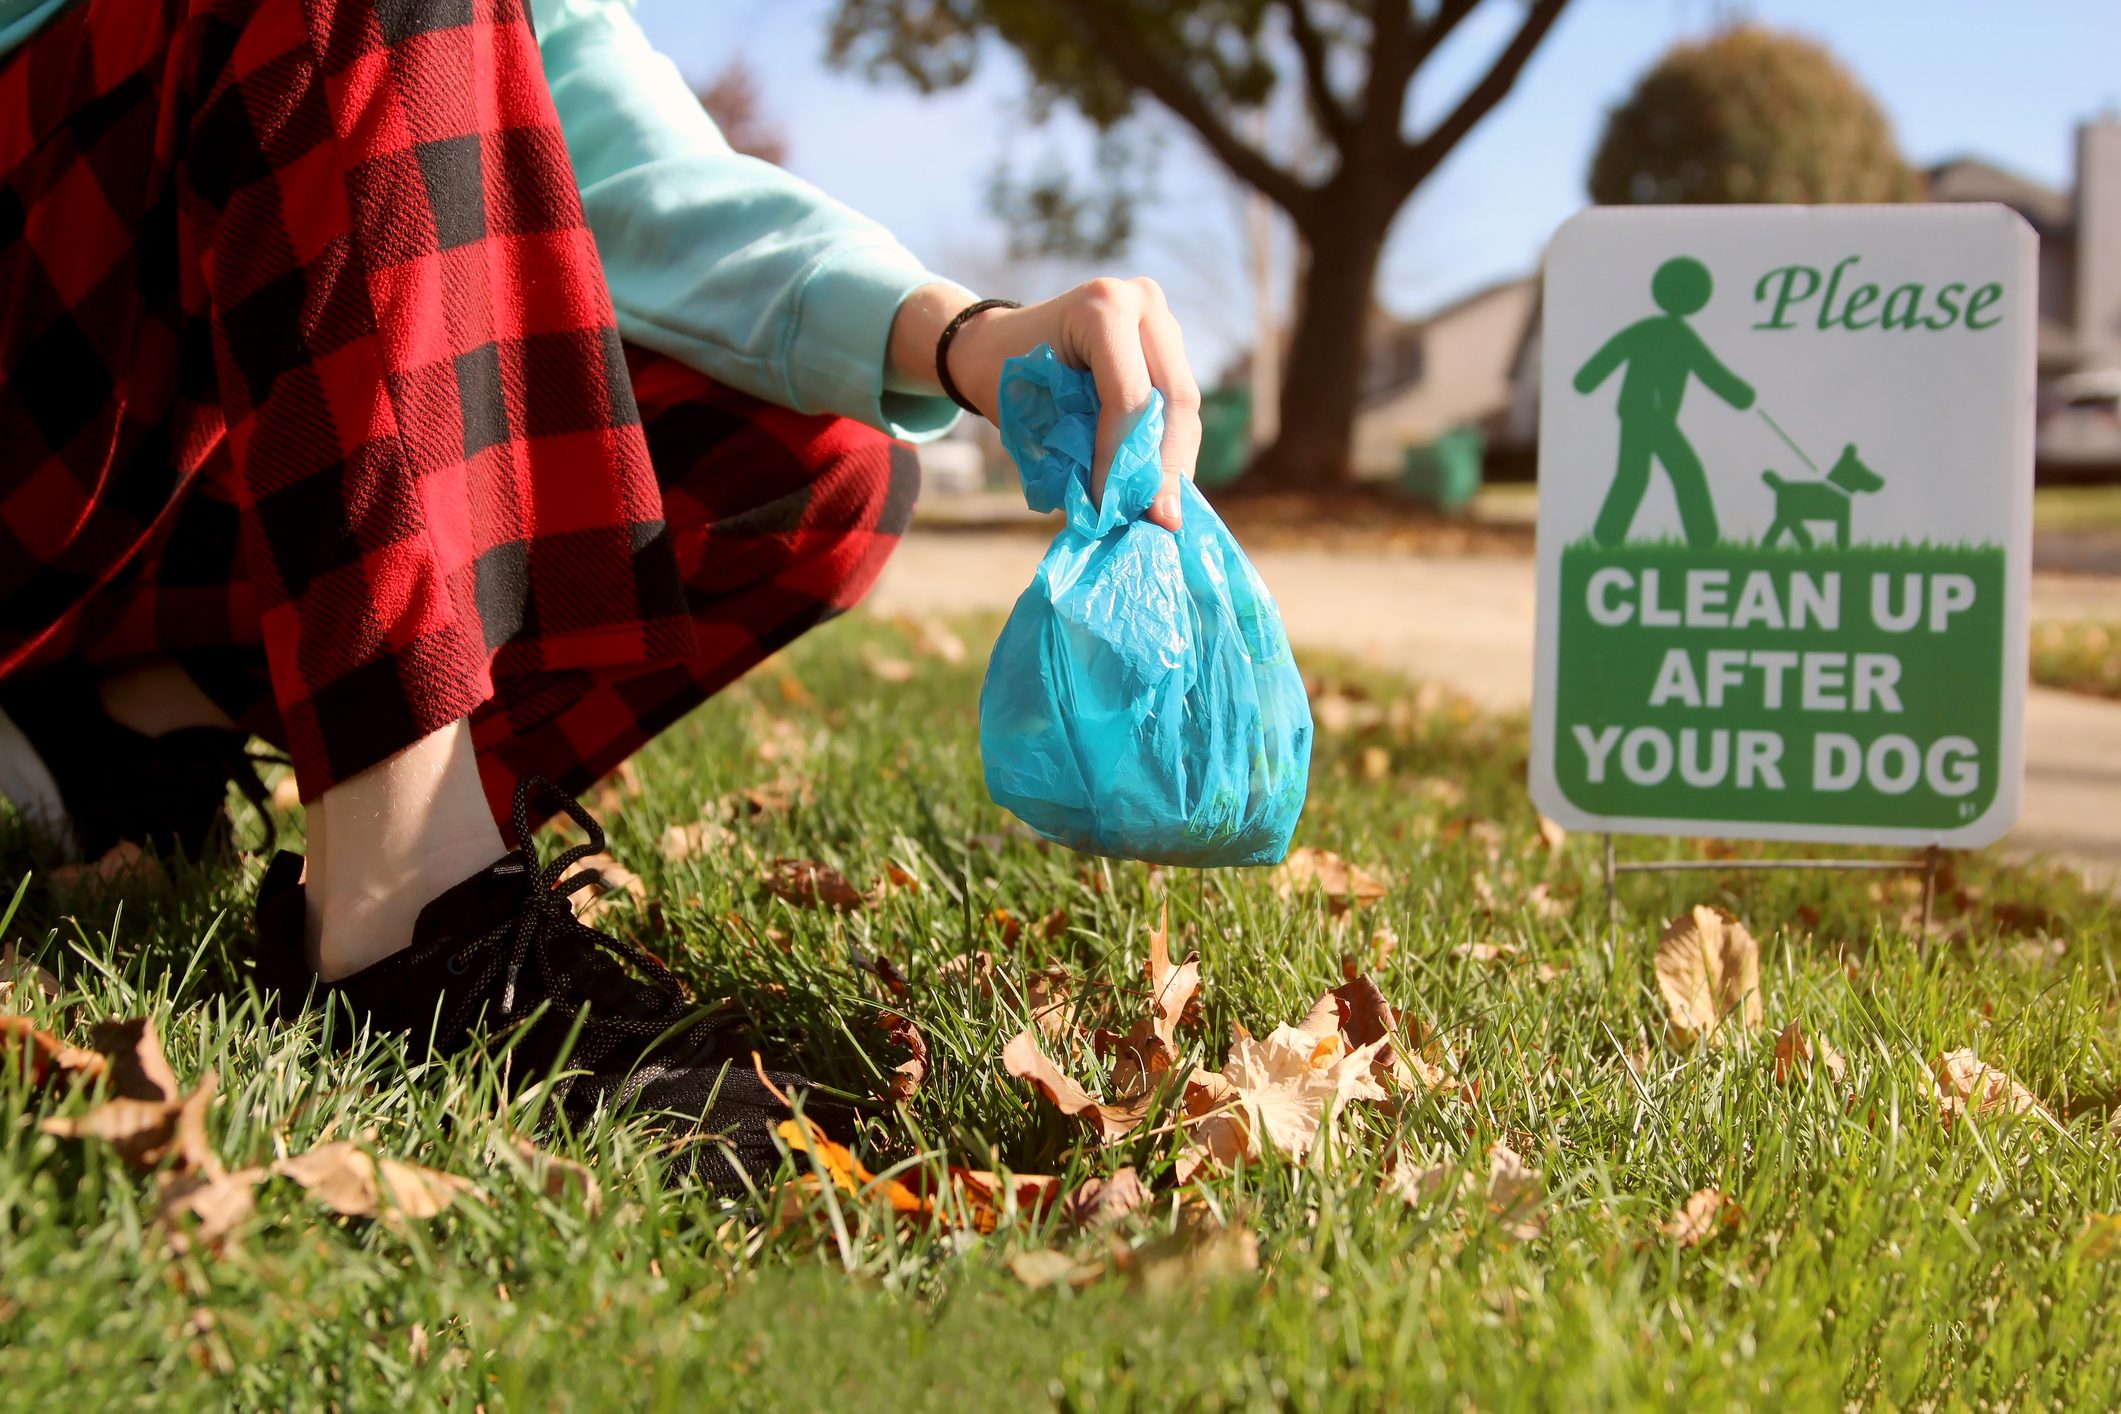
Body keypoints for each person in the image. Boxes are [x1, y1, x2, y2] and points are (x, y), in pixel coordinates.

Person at [0, 0, 1202, 1186]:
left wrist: (963, 335)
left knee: (819, 469)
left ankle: (127, 733)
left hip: (153, 478)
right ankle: (401, 915)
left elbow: (624, 162)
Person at [1573, 255, 1753, 548]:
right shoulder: (1678, 335)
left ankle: (1607, 536)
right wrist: (1741, 396)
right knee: (1686, 471)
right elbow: (1711, 372)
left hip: (1635, 413)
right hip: (1651, 415)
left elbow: (1611, 355)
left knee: (1633, 475)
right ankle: (1703, 538)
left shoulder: (1652, 330)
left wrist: (1587, 380)